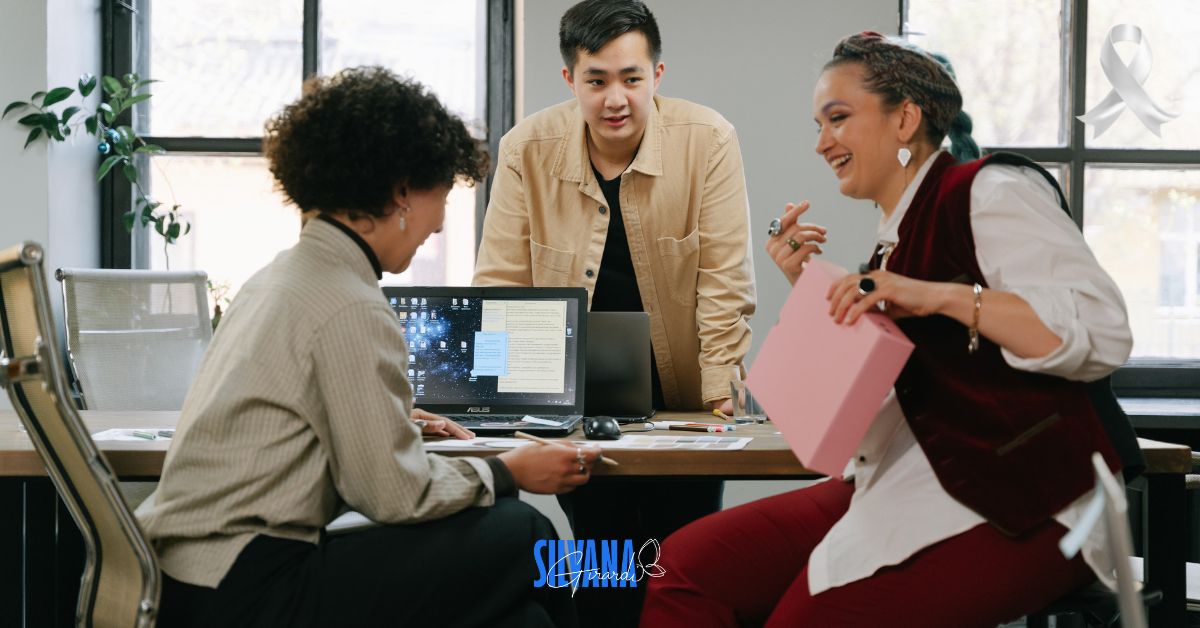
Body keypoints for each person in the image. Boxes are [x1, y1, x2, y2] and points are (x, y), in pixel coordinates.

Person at [640, 32, 1139, 627]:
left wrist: (934, 296)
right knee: (681, 566)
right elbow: (865, 414)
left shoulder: (989, 191)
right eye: (818, 125)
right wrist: (809, 284)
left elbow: (1103, 332)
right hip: (908, 480)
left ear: (906, 119)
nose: (822, 143)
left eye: (839, 119)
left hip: (1029, 502)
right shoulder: (891, 246)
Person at [136, 67, 602, 628]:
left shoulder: (281, 277)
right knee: (524, 530)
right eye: (444, 192)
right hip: (248, 588)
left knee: (523, 622)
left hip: (184, 580)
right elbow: (393, 495)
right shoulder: (350, 302)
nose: (441, 219)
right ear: (402, 191)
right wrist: (509, 470)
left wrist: (386, 418)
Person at [473, 2, 755, 625]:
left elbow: (724, 282)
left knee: (678, 562)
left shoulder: (708, 139)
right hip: (573, 402)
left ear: (658, 73)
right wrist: (499, 407)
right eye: (597, 80)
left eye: (631, 78)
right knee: (603, 568)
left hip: (683, 396)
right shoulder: (526, 148)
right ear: (571, 79)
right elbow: (502, 284)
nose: (616, 98)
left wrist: (716, 404)